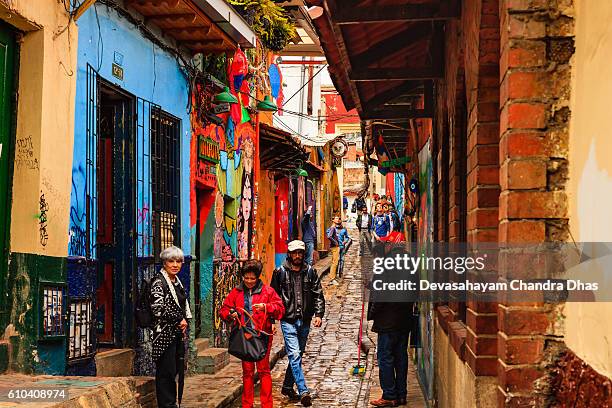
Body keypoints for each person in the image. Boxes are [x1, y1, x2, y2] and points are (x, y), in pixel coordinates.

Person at [220, 260, 285, 408]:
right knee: (247, 372)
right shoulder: (236, 292)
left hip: (263, 336)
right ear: (242, 277)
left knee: (264, 370)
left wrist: (266, 307)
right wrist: (231, 314)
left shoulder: (268, 292)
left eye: (252, 278)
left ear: (257, 277)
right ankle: (247, 404)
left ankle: (267, 405)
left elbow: (280, 309)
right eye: (246, 278)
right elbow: (223, 310)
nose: (249, 281)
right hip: (245, 337)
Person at [270, 240, 325, 407]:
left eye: (300, 252)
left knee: (297, 356)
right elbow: (272, 297)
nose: (297, 256)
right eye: (294, 253)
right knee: (294, 355)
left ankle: (287, 387)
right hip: (287, 320)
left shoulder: (310, 272)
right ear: (289, 254)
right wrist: (272, 320)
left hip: (305, 320)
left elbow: (318, 293)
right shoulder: (280, 272)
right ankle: (303, 391)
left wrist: (319, 314)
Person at [150, 246, 192, 408]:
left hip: (176, 335)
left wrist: (182, 322)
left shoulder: (176, 282)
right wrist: (179, 319)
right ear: (164, 263)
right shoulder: (158, 282)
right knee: (166, 373)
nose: (175, 265)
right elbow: (157, 308)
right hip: (164, 336)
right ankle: (167, 405)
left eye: (178, 261)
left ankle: (171, 403)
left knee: (174, 370)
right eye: (171, 261)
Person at [367, 295, 416, 406]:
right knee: (401, 357)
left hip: (387, 321)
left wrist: (371, 313)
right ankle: (401, 395)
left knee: (385, 358)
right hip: (404, 319)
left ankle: (390, 395)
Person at [326, 215, 343, 286]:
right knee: (335, 263)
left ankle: (332, 277)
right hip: (334, 247)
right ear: (333, 220)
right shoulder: (333, 228)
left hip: (335, 247)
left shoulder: (334, 227)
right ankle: (332, 279)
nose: (337, 219)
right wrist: (335, 242)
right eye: (336, 218)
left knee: (334, 262)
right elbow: (329, 236)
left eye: (338, 218)